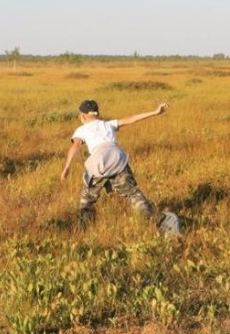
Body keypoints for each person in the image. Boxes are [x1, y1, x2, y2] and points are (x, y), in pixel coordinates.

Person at [60, 99, 181, 235]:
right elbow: (132, 119)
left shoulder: (81, 129)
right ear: (98, 114)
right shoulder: (108, 124)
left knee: (87, 199)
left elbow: (75, 146)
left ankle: (83, 229)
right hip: (117, 158)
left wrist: (66, 168)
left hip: (99, 162)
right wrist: (155, 112)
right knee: (133, 194)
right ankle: (161, 221)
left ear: (82, 116)